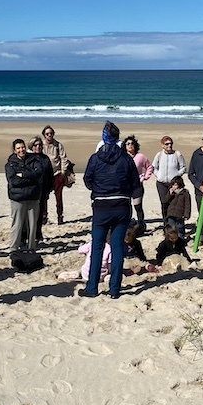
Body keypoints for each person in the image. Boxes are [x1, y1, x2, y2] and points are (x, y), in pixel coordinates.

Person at [79, 121, 142, 299]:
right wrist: (124, 191)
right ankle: (114, 288)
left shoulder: (96, 158)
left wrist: (100, 188)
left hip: (102, 207)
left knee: (98, 247)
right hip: (121, 206)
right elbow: (135, 184)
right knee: (117, 248)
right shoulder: (126, 159)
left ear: (104, 138)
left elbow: (87, 180)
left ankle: (92, 287)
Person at [5, 139, 43, 251]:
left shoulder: (34, 160)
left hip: (33, 197)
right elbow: (14, 181)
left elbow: (39, 175)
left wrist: (24, 174)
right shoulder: (10, 164)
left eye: (22, 147)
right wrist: (31, 178)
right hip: (18, 198)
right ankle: (14, 249)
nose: (21, 150)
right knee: (17, 225)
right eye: (18, 148)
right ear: (14, 150)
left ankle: (31, 248)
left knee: (32, 226)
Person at [41, 125, 72, 225]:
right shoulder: (40, 145)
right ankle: (44, 216)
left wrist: (63, 171)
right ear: (44, 135)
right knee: (44, 197)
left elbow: (64, 158)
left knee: (58, 197)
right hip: (45, 175)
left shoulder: (58, 145)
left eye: (51, 133)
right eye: (47, 134)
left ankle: (60, 215)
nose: (49, 135)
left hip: (57, 174)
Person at [152, 136, 187, 222]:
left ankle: (174, 223)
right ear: (162, 145)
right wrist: (159, 175)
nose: (169, 145)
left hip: (174, 184)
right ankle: (166, 223)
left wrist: (177, 175)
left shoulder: (177, 154)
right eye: (167, 144)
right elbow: (153, 167)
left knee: (174, 203)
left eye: (171, 143)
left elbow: (183, 167)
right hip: (161, 183)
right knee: (164, 203)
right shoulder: (159, 155)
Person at [125, 135, 153, 232]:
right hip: (125, 186)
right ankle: (127, 224)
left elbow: (149, 167)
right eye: (128, 144)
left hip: (137, 185)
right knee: (126, 206)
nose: (130, 145)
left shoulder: (140, 157)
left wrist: (145, 177)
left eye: (132, 143)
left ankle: (141, 224)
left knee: (138, 206)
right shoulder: (122, 157)